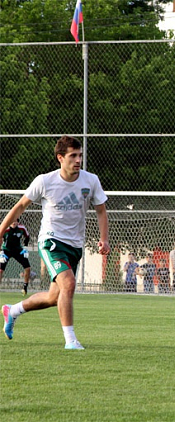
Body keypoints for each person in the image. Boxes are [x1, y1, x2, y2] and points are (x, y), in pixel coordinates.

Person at [1, 135, 110, 350]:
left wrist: (104, 239)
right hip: (51, 241)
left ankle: (12, 311)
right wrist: (1, 230)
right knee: (68, 284)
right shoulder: (45, 181)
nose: (78, 160)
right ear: (60, 158)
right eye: (73, 156)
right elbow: (20, 206)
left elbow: (101, 210)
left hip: (74, 245)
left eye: (80, 155)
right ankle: (71, 340)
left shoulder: (91, 181)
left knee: (54, 297)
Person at [0, 218, 32, 296]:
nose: (13, 223)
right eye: (12, 221)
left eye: (15, 221)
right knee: (0, 270)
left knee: (27, 268)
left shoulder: (22, 228)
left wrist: (25, 247)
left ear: (18, 222)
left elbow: (27, 237)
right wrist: (1, 251)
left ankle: (25, 288)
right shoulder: (5, 229)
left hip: (18, 250)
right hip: (6, 250)